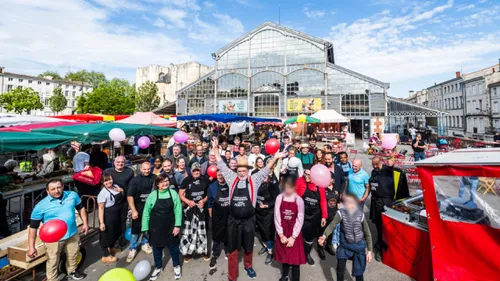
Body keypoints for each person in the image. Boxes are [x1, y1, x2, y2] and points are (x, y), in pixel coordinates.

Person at [213, 138, 286, 281]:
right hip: (233, 221)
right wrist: (215, 148)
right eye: (239, 170)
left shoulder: (254, 180)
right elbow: (220, 164)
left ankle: (248, 266)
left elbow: (266, 169)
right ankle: (232, 275)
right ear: (236, 171)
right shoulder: (231, 177)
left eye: (244, 170)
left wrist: (275, 157)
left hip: (248, 221)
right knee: (232, 249)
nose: (241, 173)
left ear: (248, 171)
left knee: (248, 246)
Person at [28, 179, 88, 281]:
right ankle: (52, 279)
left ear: (63, 186)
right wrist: (31, 247)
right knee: (53, 260)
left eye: (59, 187)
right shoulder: (40, 206)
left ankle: (72, 271)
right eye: (53, 189)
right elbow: (33, 228)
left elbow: (81, 208)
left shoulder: (72, 195)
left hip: (72, 233)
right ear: (47, 191)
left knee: (73, 254)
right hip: (53, 239)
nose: (57, 191)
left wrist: (85, 223)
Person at [319, 193, 373, 281]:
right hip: (345, 246)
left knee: (359, 273)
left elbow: (367, 233)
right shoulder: (341, 213)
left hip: (359, 247)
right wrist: (324, 236)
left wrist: (370, 251)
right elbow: (332, 225)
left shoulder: (361, 215)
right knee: (340, 270)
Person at [142, 175, 182, 280]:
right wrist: (145, 229)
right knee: (157, 249)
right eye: (162, 182)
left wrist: (177, 225)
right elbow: (146, 213)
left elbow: (178, 210)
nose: (165, 184)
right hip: (155, 228)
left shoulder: (173, 193)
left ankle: (176, 266)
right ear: (157, 184)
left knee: (173, 248)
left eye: (166, 181)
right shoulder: (152, 195)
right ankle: (158, 267)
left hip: (170, 227)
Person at [274, 176, 305, 281]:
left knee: (295, 259)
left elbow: (300, 219)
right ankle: (285, 275)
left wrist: (293, 237)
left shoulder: (299, 200)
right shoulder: (279, 198)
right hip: (283, 230)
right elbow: (277, 216)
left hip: (294, 231)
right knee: (284, 255)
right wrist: (281, 234)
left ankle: (295, 278)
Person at [178, 162, 210, 262]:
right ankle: (189, 252)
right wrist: (188, 201)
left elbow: (209, 193)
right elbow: (181, 194)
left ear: (201, 170)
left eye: (198, 170)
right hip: (190, 210)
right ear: (191, 171)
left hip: (202, 209)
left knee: (203, 232)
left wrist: (204, 200)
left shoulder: (205, 179)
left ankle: (203, 251)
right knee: (189, 232)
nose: (196, 172)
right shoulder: (186, 180)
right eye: (194, 170)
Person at [296, 169, 328, 265]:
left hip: (314, 215)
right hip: (302, 214)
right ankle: (298, 252)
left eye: (309, 175)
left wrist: (324, 216)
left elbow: (323, 201)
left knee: (309, 237)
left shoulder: (319, 185)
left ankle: (307, 254)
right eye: (305, 174)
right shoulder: (299, 181)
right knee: (298, 234)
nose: (306, 177)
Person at [126, 162, 156, 262]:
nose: (147, 171)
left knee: (148, 228)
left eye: (148, 169)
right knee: (135, 230)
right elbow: (130, 196)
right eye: (144, 169)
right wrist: (133, 210)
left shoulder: (155, 178)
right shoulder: (135, 181)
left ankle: (144, 244)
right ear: (141, 169)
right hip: (138, 209)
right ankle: (132, 248)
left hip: (151, 209)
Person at [104, 156, 134, 245]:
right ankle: (113, 239)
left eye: (122, 162)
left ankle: (122, 238)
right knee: (113, 221)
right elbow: (104, 184)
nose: (120, 164)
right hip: (111, 202)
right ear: (114, 163)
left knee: (123, 221)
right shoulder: (108, 171)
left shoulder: (129, 171)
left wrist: (130, 201)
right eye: (118, 162)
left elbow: (131, 187)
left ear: (125, 163)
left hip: (124, 201)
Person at [255, 167, 280, 265]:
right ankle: (266, 246)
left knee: (267, 232)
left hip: (268, 213)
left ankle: (271, 252)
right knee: (261, 232)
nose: (264, 178)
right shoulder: (258, 185)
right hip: (258, 212)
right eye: (262, 176)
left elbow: (277, 199)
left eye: (265, 176)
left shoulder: (273, 186)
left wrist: (267, 205)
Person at [97, 173, 124, 263]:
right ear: (102, 182)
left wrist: (121, 190)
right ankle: (105, 255)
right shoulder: (102, 193)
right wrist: (101, 222)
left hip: (117, 213)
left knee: (114, 232)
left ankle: (111, 248)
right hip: (108, 215)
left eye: (110, 179)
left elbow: (122, 193)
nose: (109, 182)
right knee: (106, 234)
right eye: (106, 180)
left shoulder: (115, 186)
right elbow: (100, 209)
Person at [323, 152, 346, 255]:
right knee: (324, 221)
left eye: (329, 159)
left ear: (333, 159)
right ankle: (322, 242)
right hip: (325, 198)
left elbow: (343, 182)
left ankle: (331, 243)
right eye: (326, 159)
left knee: (335, 221)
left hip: (336, 199)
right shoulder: (322, 169)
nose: (327, 161)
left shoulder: (338, 168)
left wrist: (341, 194)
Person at [207, 170, 230, 269]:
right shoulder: (212, 187)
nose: (220, 176)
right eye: (218, 175)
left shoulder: (230, 185)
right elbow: (210, 203)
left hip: (228, 215)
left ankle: (227, 251)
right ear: (216, 175)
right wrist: (212, 217)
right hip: (217, 216)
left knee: (228, 235)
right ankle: (215, 255)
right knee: (216, 237)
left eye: (222, 174)